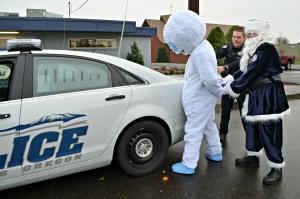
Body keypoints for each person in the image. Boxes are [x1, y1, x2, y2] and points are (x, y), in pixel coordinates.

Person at [163, 10, 232, 175]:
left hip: (198, 100)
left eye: (174, 43)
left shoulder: (200, 53)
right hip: (203, 99)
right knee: (208, 125)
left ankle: (189, 163)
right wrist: (220, 86)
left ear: (184, 36)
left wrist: (220, 88)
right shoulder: (204, 46)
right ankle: (215, 152)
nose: (174, 48)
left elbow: (209, 79)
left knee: (193, 130)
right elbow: (211, 75)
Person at [226, 19, 290, 185]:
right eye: (248, 33)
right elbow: (245, 70)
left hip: (269, 95)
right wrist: (231, 78)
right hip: (256, 94)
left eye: (252, 33)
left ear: (260, 34)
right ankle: (252, 156)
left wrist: (233, 87)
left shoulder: (265, 49)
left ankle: (277, 167)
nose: (248, 36)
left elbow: (251, 73)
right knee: (252, 126)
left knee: (270, 130)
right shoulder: (255, 50)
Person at [216, 27, 246, 141]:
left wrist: (225, 67)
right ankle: (222, 133)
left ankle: (251, 137)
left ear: (244, 38)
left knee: (244, 112)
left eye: (239, 37)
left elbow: (240, 63)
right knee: (225, 110)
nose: (236, 40)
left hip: (242, 85)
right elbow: (216, 54)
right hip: (228, 86)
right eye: (234, 37)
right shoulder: (228, 48)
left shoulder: (247, 50)